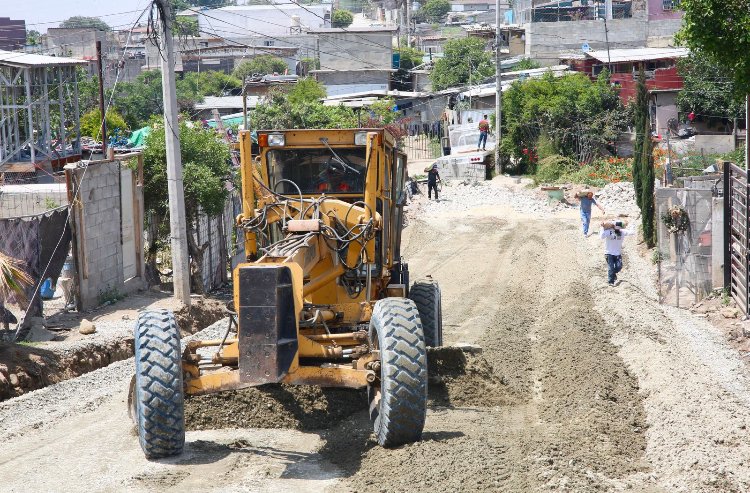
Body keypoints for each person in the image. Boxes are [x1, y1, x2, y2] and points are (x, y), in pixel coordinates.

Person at [599, 220, 634, 286]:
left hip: (617, 253)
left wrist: (632, 224)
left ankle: (613, 274)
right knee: (611, 268)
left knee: (619, 267)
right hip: (608, 253)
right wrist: (602, 227)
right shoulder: (609, 232)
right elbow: (601, 236)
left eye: (619, 226)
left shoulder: (622, 232)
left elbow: (631, 232)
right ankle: (610, 281)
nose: (618, 227)